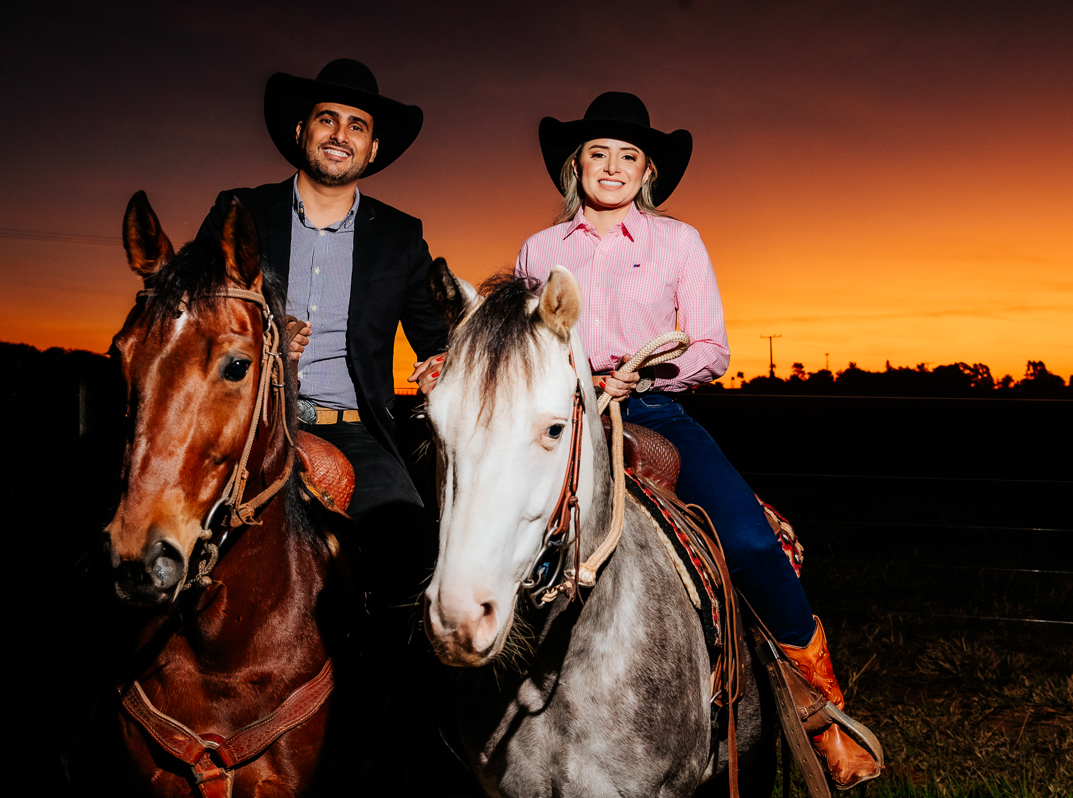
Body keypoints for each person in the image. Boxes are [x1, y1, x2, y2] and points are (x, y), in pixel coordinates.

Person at [514, 91, 882, 790]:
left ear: (647, 171)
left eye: (628, 156)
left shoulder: (678, 241)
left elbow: (712, 346)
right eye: (599, 154)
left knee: (749, 542)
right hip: (568, 413)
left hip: (657, 408)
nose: (613, 167)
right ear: (576, 166)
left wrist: (642, 371)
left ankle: (823, 712)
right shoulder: (541, 250)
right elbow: (534, 341)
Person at [196, 59, 447, 599]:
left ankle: (378, 683)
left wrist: (441, 365)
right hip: (246, 421)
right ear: (300, 132)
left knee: (412, 554)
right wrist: (261, 334)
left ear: (373, 149)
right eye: (327, 120)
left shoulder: (401, 237)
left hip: (354, 429)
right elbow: (192, 312)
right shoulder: (240, 212)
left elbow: (437, 340)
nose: (340, 135)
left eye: (358, 125)